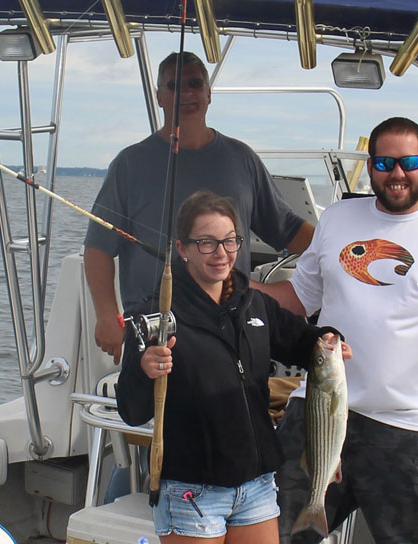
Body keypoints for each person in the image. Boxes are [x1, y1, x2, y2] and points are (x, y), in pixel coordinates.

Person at [254, 117, 418, 543]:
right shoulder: (336, 219)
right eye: (385, 162)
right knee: (267, 534)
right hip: (318, 408)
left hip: (403, 425)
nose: (397, 174)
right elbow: (300, 298)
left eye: (408, 161)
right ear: (370, 166)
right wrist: (235, 287)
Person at [117, 190, 349, 543]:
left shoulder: (253, 303)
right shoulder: (156, 317)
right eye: (206, 243)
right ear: (182, 249)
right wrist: (143, 370)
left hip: (255, 486)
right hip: (190, 490)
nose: (221, 254)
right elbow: (131, 410)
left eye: (229, 241)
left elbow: (301, 340)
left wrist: (328, 339)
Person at [83, 51, 315, 366]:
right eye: (174, 85)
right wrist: (107, 316)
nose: (186, 93)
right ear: (159, 97)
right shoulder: (129, 164)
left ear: (208, 93)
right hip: (156, 337)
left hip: (228, 327)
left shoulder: (241, 159)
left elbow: (288, 228)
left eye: (195, 83)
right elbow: (97, 248)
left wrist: (342, 252)